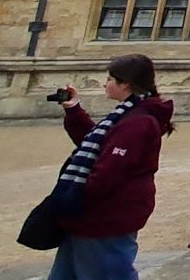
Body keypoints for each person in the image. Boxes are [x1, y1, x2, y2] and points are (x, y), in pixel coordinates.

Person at [48, 54, 175, 280]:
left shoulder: (138, 121)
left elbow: (109, 171)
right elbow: (97, 144)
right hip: (92, 216)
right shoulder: (127, 114)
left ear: (125, 83)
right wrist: (74, 109)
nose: (105, 84)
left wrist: (73, 199)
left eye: (109, 79)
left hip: (105, 216)